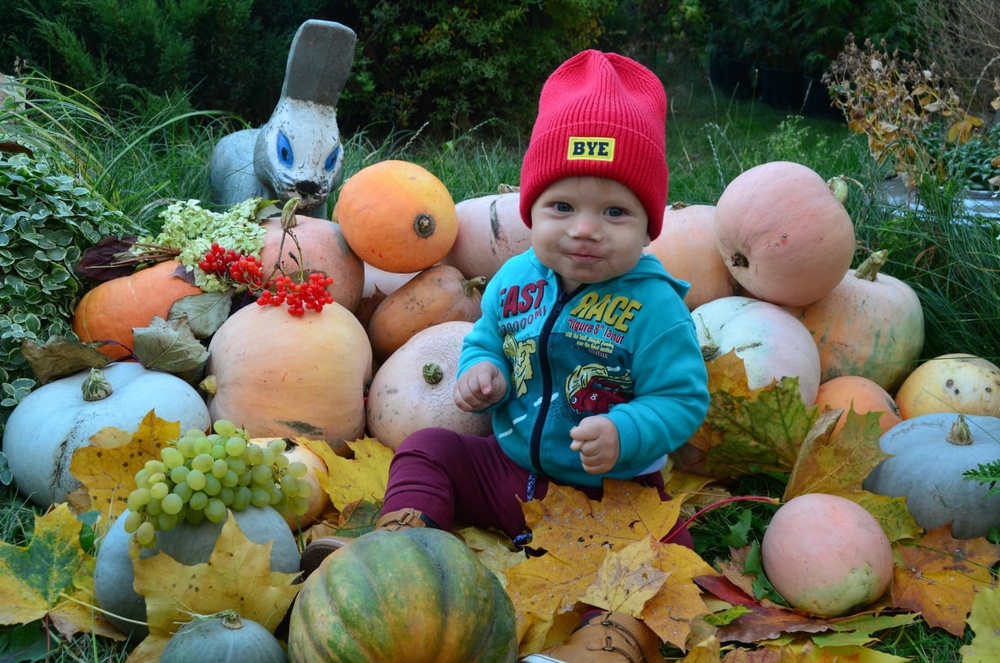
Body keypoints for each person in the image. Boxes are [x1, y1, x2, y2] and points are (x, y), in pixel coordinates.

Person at [302, 49, 710, 663]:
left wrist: (627, 429)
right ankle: (400, 551)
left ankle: (602, 645)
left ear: (650, 225)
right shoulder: (515, 278)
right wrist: (480, 371)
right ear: (532, 207)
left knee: (663, 554)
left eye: (616, 212)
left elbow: (683, 399)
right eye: (563, 207)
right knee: (428, 448)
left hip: (613, 496)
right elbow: (488, 337)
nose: (585, 229)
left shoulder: (656, 310)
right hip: (512, 471)